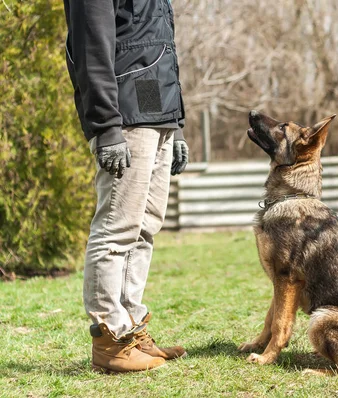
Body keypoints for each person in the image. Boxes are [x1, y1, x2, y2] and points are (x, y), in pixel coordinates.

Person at [63, 0, 189, 373]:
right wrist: (106, 126)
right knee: (117, 227)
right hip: (123, 118)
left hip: (152, 110)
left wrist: (172, 123)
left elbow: (148, 49)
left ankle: (130, 325)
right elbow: (92, 48)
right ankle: (109, 339)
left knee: (145, 226)